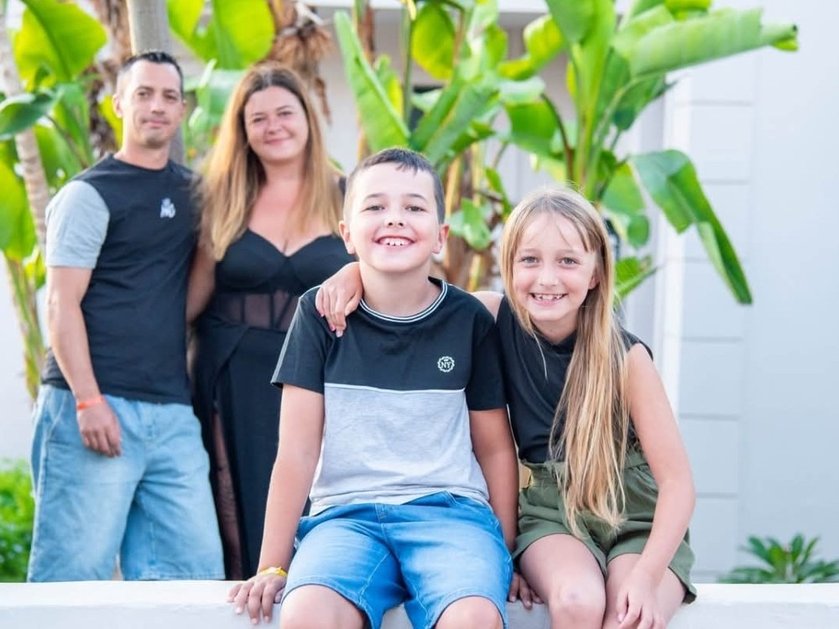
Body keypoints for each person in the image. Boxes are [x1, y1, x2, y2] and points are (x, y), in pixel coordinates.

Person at [318, 186, 697, 628]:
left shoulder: (626, 359)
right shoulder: (489, 316)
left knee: (628, 615)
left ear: (596, 273)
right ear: (509, 267)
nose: (547, 279)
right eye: (530, 260)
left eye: (568, 261)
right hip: (552, 513)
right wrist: (353, 274)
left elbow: (678, 484)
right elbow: (411, 291)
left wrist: (648, 577)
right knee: (577, 600)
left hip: (635, 518)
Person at [229, 148, 521, 628]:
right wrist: (271, 565)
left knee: (473, 617)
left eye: (413, 207)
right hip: (346, 519)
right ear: (346, 234)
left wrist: (505, 554)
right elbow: (297, 453)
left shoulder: (469, 321)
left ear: (440, 237)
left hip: (452, 517)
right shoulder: (318, 316)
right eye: (375, 206)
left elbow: (494, 450)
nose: (395, 219)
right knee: (306, 615)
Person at [28, 51, 223, 582]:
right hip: (91, 405)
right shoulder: (90, 194)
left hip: (172, 415)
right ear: (118, 104)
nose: (156, 106)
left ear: (182, 110)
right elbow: (60, 302)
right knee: (72, 577)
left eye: (167, 97)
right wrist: (89, 400)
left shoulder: (196, 195)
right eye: (143, 94)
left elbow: (188, 297)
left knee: (193, 576)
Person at [187, 62, 351, 579]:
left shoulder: (349, 193)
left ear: (307, 119)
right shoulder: (222, 198)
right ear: (242, 130)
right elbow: (194, 297)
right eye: (258, 118)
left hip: (322, 372)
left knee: (316, 500)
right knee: (233, 503)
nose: (273, 126)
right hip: (231, 369)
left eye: (285, 112)